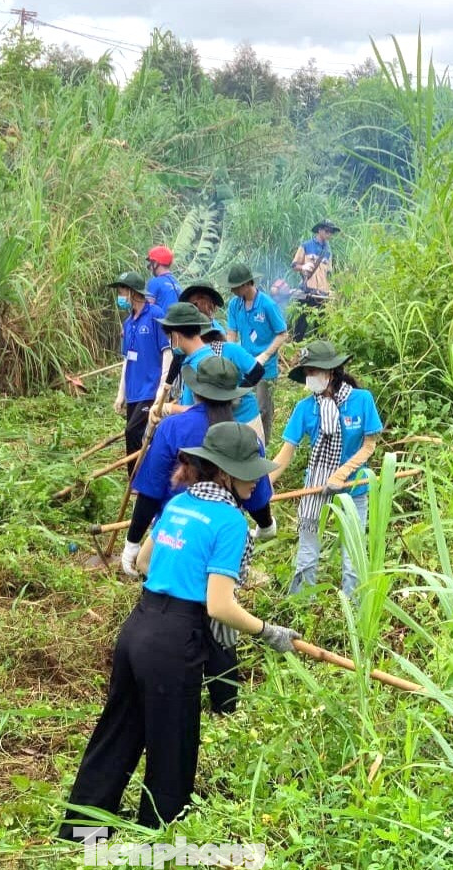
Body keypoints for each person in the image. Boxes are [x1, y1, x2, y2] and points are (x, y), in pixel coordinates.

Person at [59, 423, 300, 839]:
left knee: (118, 730)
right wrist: (268, 632)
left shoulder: (180, 504)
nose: (257, 479)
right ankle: (159, 837)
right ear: (224, 472)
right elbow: (220, 605)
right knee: (173, 744)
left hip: (137, 629)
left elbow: (146, 563)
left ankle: (83, 831)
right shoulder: (230, 522)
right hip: (175, 640)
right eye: (250, 471)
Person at [122, 357, 277, 714]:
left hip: (167, 564)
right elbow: (256, 495)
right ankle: (226, 707)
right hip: (185, 619)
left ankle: (224, 707)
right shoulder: (243, 442)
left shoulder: (176, 436)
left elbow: (149, 490)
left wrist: (133, 540)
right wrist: (266, 525)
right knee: (221, 624)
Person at [269, 341, 383, 597]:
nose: (310, 378)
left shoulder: (361, 400)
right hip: (316, 487)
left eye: (313, 372)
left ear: (331, 371)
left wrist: (342, 474)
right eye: (306, 372)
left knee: (352, 555)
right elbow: (285, 454)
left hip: (353, 488)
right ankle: (301, 603)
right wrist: (262, 485)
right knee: (307, 553)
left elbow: (369, 445)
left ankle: (354, 610)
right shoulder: (305, 408)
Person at [154, 302, 265, 437]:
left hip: (243, 418)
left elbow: (257, 370)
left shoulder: (225, 353)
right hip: (221, 424)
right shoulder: (190, 360)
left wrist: (237, 393)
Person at [107, 271, 172, 458]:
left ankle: (138, 481)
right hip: (134, 392)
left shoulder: (155, 315)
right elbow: (127, 360)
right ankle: (135, 481)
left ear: (134, 292)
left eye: (122, 291)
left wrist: (162, 390)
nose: (120, 296)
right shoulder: (128, 323)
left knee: (133, 432)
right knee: (137, 437)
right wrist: (121, 394)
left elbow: (167, 352)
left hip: (150, 390)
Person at [225, 264, 289, 445]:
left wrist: (265, 356)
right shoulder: (234, 305)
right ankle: (242, 441)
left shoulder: (267, 304)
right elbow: (231, 331)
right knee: (239, 402)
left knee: (263, 409)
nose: (232, 290)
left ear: (246, 285)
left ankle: (262, 445)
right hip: (244, 364)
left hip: (264, 368)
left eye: (235, 287)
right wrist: (230, 356)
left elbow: (282, 333)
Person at [289, 221, 340, 340]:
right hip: (308, 292)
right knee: (301, 325)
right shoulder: (306, 246)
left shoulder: (328, 251)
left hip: (323, 294)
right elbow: (294, 265)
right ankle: (295, 351)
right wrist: (303, 267)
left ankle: (319, 353)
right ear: (319, 230)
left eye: (331, 232)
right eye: (327, 231)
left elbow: (328, 273)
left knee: (321, 327)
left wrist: (331, 289)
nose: (329, 234)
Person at [144, 246, 181, 313]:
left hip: (161, 322)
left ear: (155, 263)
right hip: (175, 322)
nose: (150, 268)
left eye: (150, 264)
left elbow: (147, 309)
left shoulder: (155, 282)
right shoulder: (176, 282)